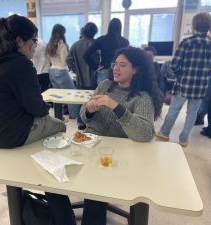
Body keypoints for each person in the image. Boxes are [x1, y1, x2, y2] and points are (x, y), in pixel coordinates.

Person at [46, 47, 163, 225]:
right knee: (50, 179)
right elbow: (83, 117)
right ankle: (65, 220)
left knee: (95, 194)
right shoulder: (105, 85)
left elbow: (145, 133)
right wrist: (89, 111)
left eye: (122, 65)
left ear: (136, 69)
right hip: (86, 145)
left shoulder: (141, 97)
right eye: (115, 64)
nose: (116, 68)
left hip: (113, 154)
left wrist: (116, 107)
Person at [0, 15, 65, 149]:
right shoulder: (19, 63)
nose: (36, 45)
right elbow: (37, 108)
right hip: (9, 136)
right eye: (34, 40)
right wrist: (45, 107)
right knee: (59, 124)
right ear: (19, 41)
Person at [156, 12, 211, 147]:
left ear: (194, 26)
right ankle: (184, 139)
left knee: (174, 110)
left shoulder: (186, 43)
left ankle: (164, 133)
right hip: (200, 87)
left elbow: (174, 65)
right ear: (209, 27)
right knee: (192, 114)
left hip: (183, 85)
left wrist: (180, 75)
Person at [66, 22, 98, 129]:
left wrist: (76, 70)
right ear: (94, 32)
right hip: (95, 79)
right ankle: (93, 124)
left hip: (80, 79)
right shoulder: (96, 43)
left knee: (81, 101)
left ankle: (80, 123)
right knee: (95, 102)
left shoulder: (75, 45)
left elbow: (68, 60)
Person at [46, 24, 79, 119]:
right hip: (62, 72)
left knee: (58, 96)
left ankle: (59, 116)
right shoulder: (62, 45)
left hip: (52, 71)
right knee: (72, 94)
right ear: (62, 33)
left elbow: (49, 59)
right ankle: (74, 115)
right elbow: (65, 61)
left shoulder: (49, 45)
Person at [83, 18, 129, 86]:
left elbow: (86, 55)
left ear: (109, 27)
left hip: (104, 70)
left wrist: (95, 67)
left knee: (100, 95)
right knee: (117, 95)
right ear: (120, 28)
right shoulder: (125, 42)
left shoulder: (102, 39)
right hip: (119, 71)